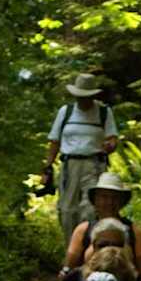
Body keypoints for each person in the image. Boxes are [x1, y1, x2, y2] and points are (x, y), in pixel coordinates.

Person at [58, 172, 141, 281]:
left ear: (121, 201)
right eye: (104, 197)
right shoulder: (83, 230)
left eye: (114, 197)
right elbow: (68, 270)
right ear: (95, 200)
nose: (109, 202)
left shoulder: (135, 232)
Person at [44, 75, 118, 241]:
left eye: (86, 96)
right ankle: (72, 250)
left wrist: (111, 145)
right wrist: (47, 168)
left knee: (91, 209)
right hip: (69, 166)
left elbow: (113, 138)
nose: (83, 100)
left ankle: (89, 249)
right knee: (67, 210)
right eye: (80, 96)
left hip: (94, 165)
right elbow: (54, 141)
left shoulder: (104, 112)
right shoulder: (66, 112)